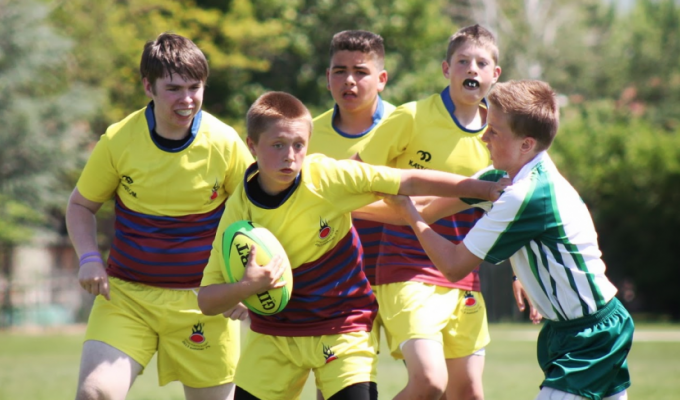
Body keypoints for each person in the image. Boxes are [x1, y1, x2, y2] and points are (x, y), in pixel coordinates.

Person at [197, 91, 506, 400]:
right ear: (252, 146)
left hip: (342, 328)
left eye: (299, 145)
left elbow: (408, 180)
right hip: (274, 336)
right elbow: (207, 300)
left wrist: (484, 188)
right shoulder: (240, 209)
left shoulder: (327, 176)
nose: (290, 156)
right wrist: (247, 286)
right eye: (277, 145)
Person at [381, 80, 634, 400]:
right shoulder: (500, 178)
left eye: (494, 131)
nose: (482, 137)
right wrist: (357, 199)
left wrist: (406, 211)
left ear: (526, 144)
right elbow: (430, 208)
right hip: (572, 331)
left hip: (589, 335)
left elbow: (454, 265)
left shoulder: (525, 194)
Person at [65, 32, 253, 400]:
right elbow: (80, 205)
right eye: (174, 89)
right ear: (148, 86)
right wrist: (89, 258)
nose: (187, 100)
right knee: (95, 393)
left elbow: (258, 215)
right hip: (127, 298)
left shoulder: (225, 142)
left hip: (205, 303)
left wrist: (242, 282)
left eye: (195, 87)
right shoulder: (118, 140)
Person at [352, 24, 501, 400]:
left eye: (481, 63)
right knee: (430, 381)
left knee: (468, 393)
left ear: (495, 75)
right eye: (462, 61)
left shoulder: (500, 134)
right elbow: (353, 178)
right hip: (407, 268)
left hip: (464, 276)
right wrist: (399, 209)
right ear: (445, 69)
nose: (472, 69)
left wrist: (520, 274)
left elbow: (512, 207)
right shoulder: (411, 117)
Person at [308, 31, 396, 397]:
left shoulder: (404, 125)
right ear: (327, 77)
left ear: (381, 78)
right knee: (339, 388)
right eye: (339, 71)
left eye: (360, 71)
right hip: (336, 281)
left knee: (434, 381)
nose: (349, 80)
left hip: (400, 273)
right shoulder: (307, 134)